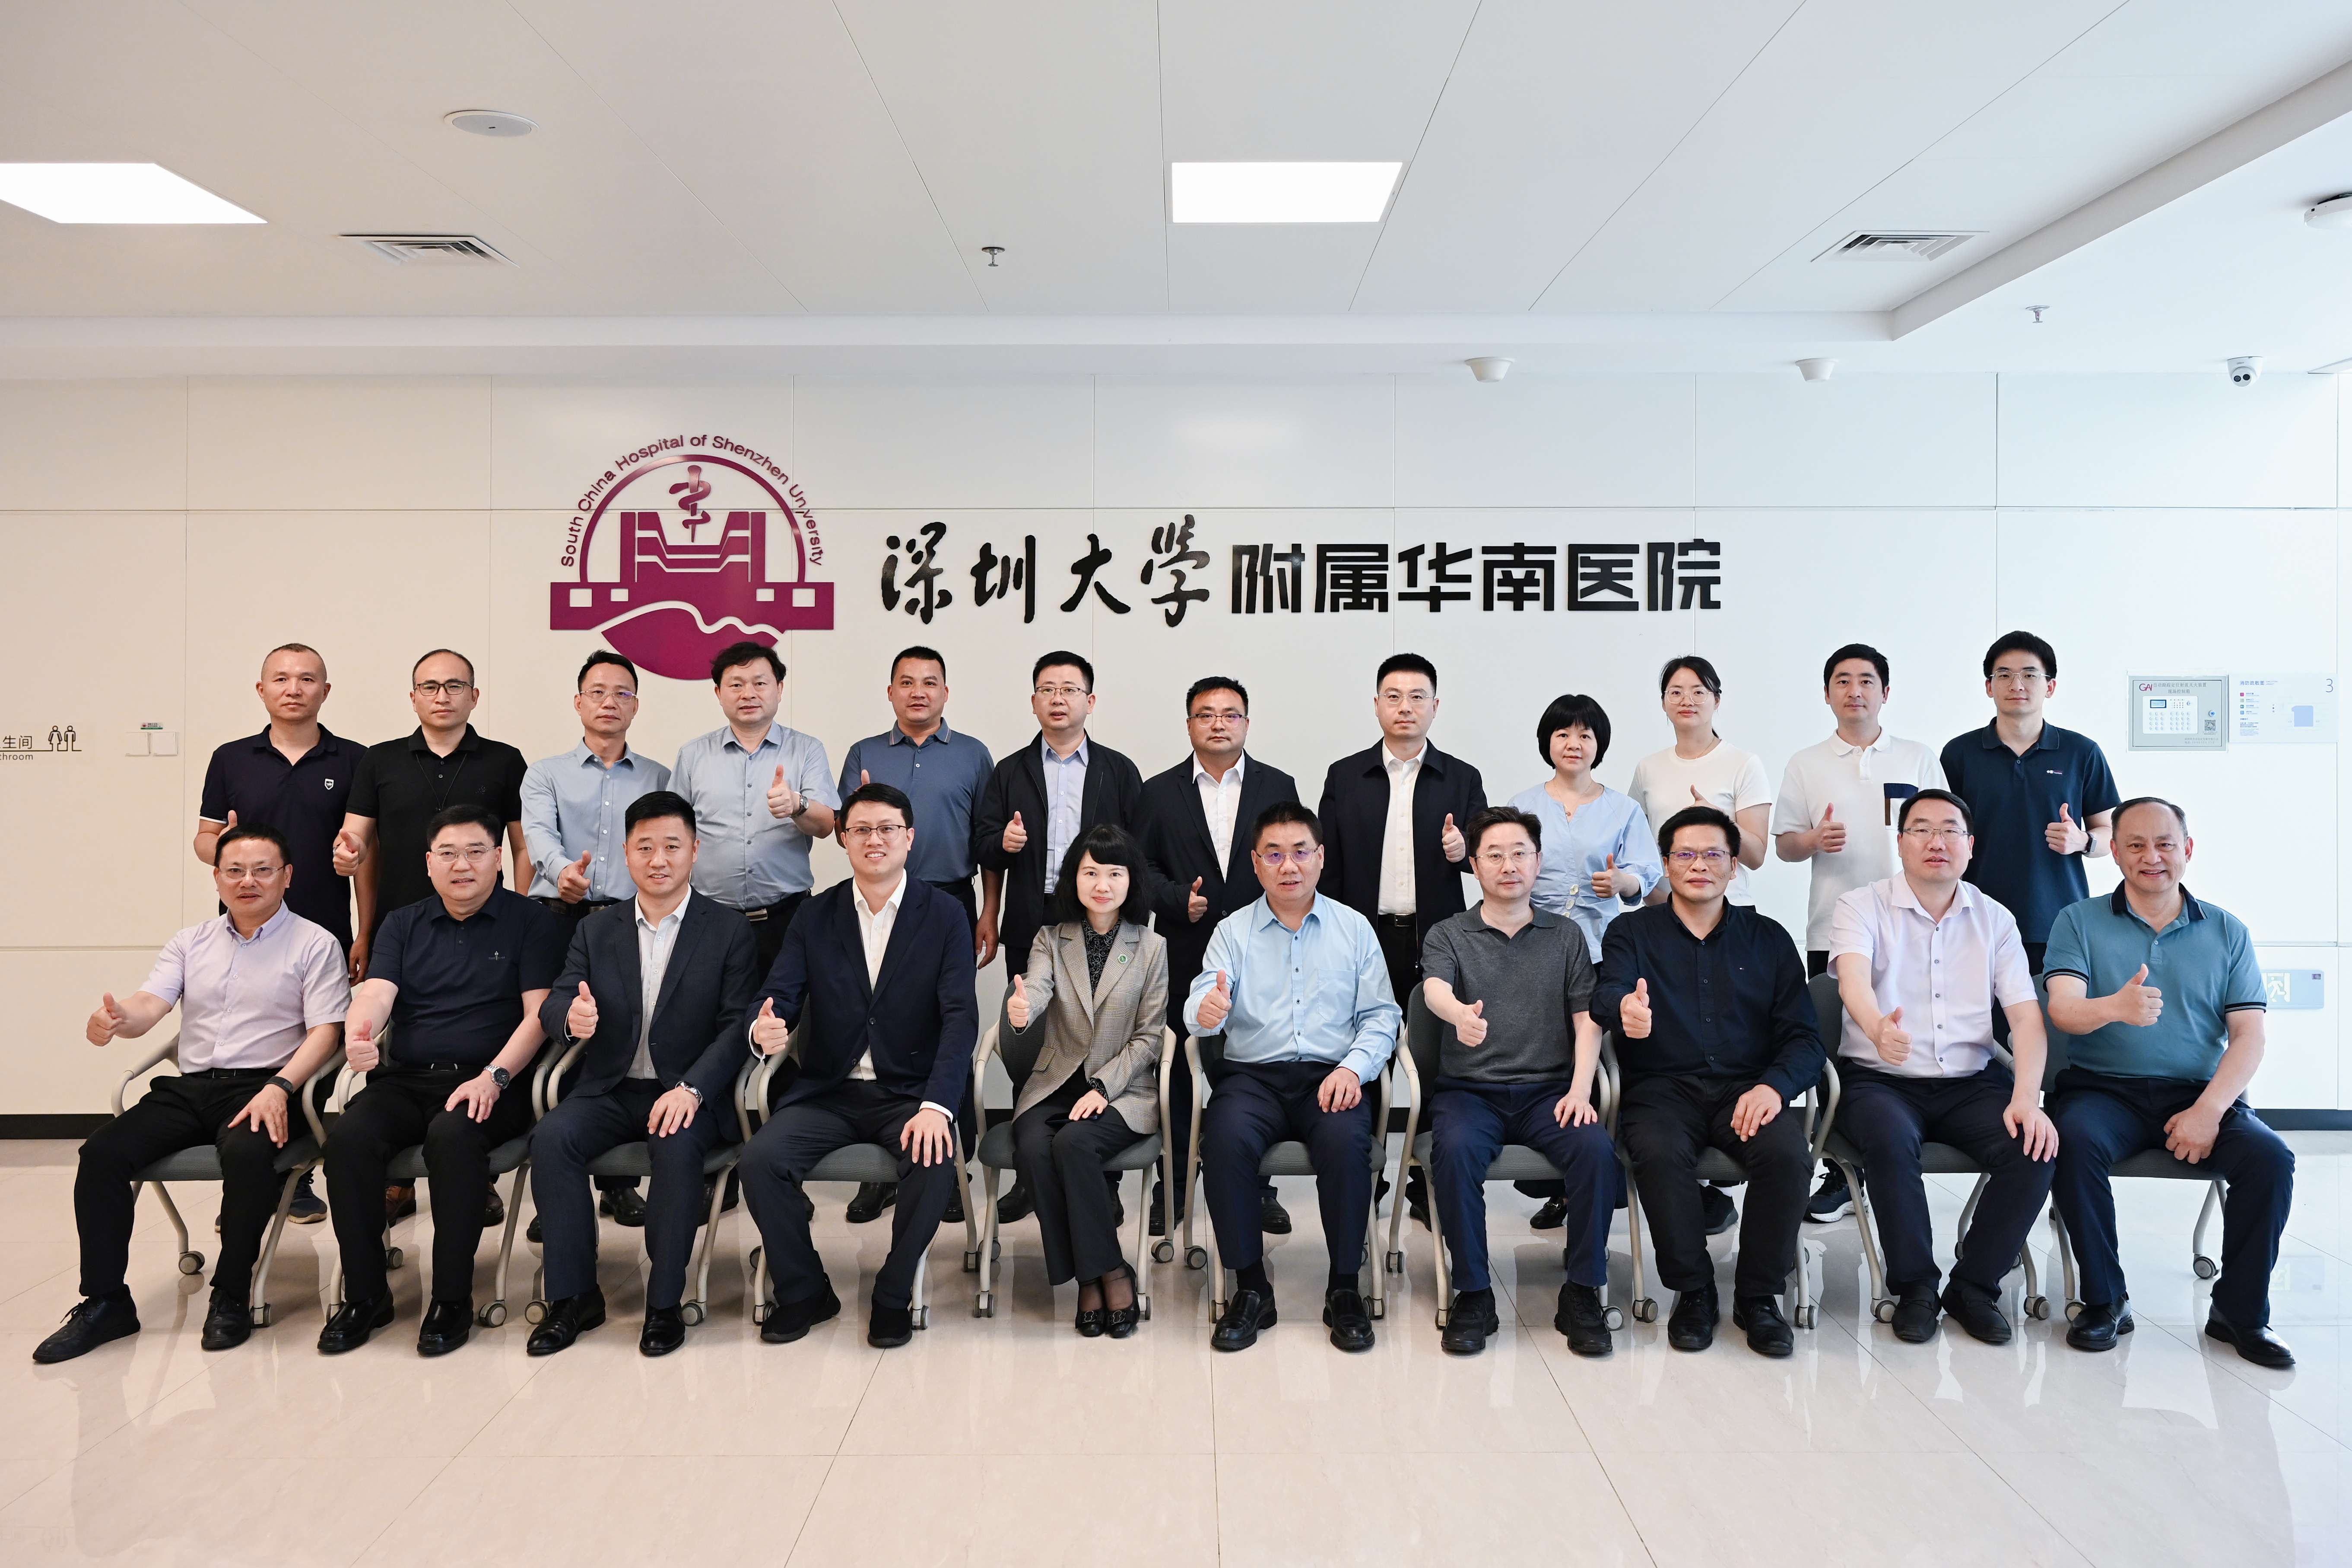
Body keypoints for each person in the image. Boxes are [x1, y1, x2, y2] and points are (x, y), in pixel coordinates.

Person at [35, 824, 348, 1363]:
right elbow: (149, 1006)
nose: (248, 881)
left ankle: (231, 1294)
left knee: (247, 1154)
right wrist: (117, 1019)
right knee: (102, 1154)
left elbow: (326, 1033)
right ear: (217, 877)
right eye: (235, 871)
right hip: (193, 1087)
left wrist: (280, 1087)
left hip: (270, 1085)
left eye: (263, 870)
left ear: (287, 877)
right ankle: (106, 1302)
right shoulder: (191, 941)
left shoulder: (315, 943)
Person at [2043, 797, 2294, 1368]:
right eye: (2135, 844)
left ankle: (2240, 1313)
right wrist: (2114, 1007)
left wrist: (2209, 1111)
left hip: (2198, 1094)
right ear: (2114, 851)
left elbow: (2249, 1036)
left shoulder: (2227, 931)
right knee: (2071, 1141)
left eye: (2164, 844)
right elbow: (2063, 1010)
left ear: (2188, 849)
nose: (2150, 856)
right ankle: (2104, 1300)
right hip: (2102, 1090)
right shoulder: (2077, 920)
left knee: (2270, 1159)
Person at [316, 804, 563, 1356]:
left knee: (452, 1139)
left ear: (498, 859)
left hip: (492, 1081)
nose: (462, 865)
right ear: (429, 863)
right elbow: (377, 994)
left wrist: (494, 1077)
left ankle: (452, 1298)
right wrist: (360, 1032)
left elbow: (538, 1016)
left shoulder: (531, 921)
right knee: (348, 1140)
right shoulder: (403, 923)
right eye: (448, 854)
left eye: (476, 852)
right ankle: (366, 1295)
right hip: (406, 1079)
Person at [740, 783, 978, 1350]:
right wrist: (762, 1026)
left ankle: (893, 1293)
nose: (875, 840)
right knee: (760, 1159)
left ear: (909, 837)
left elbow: (959, 1018)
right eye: (862, 830)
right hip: (830, 1091)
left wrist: (937, 1106)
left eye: (888, 829)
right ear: (843, 838)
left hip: (910, 1093)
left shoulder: (944, 914)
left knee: (934, 1155)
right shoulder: (815, 914)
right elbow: (778, 995)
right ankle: (805, 1290)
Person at [524, 792, 759, 1359]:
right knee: (552, 1138)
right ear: (626, 854)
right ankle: (573, 1297)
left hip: (688, 1091)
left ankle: (664, 1302)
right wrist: (571, 1018)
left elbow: (737, 1028)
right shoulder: (596, 930)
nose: (659, 859)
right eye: (645, 847)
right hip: (610, 1087)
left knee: (676, 1145)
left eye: (672, 846)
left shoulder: (728, 930)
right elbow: (556, 1002)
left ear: (695, 850)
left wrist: (693, 1089)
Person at [1590, 806, 1823, 1358]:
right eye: (1686, 855)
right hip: (1660, 1089)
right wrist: (1625, 1009)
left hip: (1748, 1088)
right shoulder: (1631, 932)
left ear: (1734, 866)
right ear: (1666, 864)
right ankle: (1693, 1291)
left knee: (1788, 1155)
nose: (1700, 865)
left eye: (1714, 854)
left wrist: (1773, 1088)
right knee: (1658, 1152)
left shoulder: (1769, 939)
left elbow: (1804, 1038)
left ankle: (1758, 1296)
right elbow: (1606, 994)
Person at [1827, 788, 2057, 1344]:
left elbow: (2026, 1020)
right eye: (1922, 829)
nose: (1937, 842)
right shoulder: (1861, 905)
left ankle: (1974, 1287)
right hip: (1879, 1080)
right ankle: (1915, 1289)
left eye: (1951, 830)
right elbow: (1853, 982)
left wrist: (2026, 1099)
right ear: (1901, 842)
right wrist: (1878, 1027)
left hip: (1970, 1083)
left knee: (2033, 1147)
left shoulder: (1994, 918)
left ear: (1970, 845)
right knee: (1889, 1141)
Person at [1186, 800, 1401, 1354]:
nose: (1289, 866)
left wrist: (1354, 1068)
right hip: (1252, 1078)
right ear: (1256, 863)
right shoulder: (1232, 932)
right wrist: (1205, 1011)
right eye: (1275, 854)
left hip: (1332, 1075)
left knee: (1347, 1144)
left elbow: (1383, 1016)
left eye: (1301, 852)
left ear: (1321, 857)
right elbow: (1203, 999)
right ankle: (1251, 1287)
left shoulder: (1353, 928)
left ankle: (1345, 1287)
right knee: (1224, 1141)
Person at [332, 648, 531, 1230]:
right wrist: (365, 924)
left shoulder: (504, 760)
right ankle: (395, 1180)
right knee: (400, 1042)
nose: (442, 696)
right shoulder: (380, 760)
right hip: (403, 927)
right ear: (413, 696)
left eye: (454, 686)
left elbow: (521, 845)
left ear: (475, 696)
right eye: (429, 686)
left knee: (479, 1031)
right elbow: (358, 844)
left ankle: (473, 1175)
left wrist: (519, 911)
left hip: (486, 923)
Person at [1418, 807, 1618, 1358]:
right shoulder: (1449, 934)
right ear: (1475, 865)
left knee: (1596, 1151)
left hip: (1550, 1093)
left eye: (1519, 854)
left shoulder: (1567, 936)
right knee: (1455, 1152)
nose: (1508, 866)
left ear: (1538, 861)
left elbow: (1587, 1020)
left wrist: (1580, 1091)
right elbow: (1434, 990)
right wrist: (1458, 1014)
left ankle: (1582, 1292)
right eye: (1495, 855)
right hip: (1470, 1091)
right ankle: (1474, 1293)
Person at [1771, 644, 1946, 1226]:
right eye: (1842, 681)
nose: (1855, 691)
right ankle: (1839, 1171)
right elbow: (1784, 845)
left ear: (1885, 693)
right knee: (1835, 1045)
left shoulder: (1918, 758)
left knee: (1898, 1038)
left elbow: (1948, 830)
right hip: (1834, 926)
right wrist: (1812, 841)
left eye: (1866, 681)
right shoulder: (1806, 762)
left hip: (1914, 927)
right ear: (1827, 694)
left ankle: (1893, 1155)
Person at [973, 651, 1145, 1224]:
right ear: (1033, 702)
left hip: (1101, 919)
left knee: (1104, 1039)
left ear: (1089, 701)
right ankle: (1033, 1173)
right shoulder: (1010, 771)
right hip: (1032, 917)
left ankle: (1103, 1174)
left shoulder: (1118, 770)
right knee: (1032, 1041)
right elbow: (983, 844)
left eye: (1070, 689)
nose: (1058, 698)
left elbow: (1137, 855)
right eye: (1047, 689)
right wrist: (1003, 849)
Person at [194, 641, 361, 1225]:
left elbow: (366, 854)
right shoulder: (231, 758)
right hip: (247, 931)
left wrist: (364, 931)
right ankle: (243, 1184)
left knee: (318, 1045)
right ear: (261, 689)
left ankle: (300, 1174)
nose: (294, 688)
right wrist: (228, 847)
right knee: (246, 1046)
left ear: (325, 691)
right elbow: (204, 840)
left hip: (324, 928)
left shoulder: (354, 759)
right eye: (282, 678)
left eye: (307, 678)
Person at [1315, 653, 1485, 1225]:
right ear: (1376, 705)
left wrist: (1464, 851)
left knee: (1438, 1057)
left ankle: (1427, 1180)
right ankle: (1365, 1174)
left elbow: (1487, 856)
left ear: (1435, 706)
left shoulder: (1461, 778)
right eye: (1393, 696)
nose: (1405, 707)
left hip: (1438, 938)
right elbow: (1327, 865)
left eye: (1417, 697)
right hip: (1364, 936)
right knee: (1363, 1050)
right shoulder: (1345, 775)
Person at [834, 645, 995, 1227]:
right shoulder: (864, 753)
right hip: (879, 901)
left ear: (946, 692)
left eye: (930, 682)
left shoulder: (974, 755)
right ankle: (876, 1177)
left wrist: (990, 910)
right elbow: (847, 830)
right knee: (877, 1022)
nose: (919, 691)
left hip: (950, 900)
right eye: (907, 682)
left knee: (950, 1025)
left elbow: (987, 840)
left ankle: (949, 1166)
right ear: (891, 692)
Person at [1137, 675, 1297, 1235]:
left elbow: (1292, 860)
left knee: (1259, 1066)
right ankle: (1175, 1185)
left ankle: (1260, 1187)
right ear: (1189, 726)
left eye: (1230, 714)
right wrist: (1174, 898)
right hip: (1184, 948)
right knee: (1180, 1070)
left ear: (1247, 724)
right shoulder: (1157, 791)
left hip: (1265, 948)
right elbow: (1139, 868)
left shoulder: (1278, 785)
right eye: (1206, 714)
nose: (1218, 723)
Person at [521, 649, 673, 1233]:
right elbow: (537, 833)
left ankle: (617, 1186)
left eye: (622, 693)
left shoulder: (658, 778)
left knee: (615, 1038)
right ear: (578, 701)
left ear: (636, 705)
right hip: (558, 916)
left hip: (626, 922)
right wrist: (562, 870)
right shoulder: (546, 773)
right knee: (553, 1038)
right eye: (598, 692)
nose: (610, 702)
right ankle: (554, 1191)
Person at [1004, 825, 1168, 1337]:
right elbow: (1035, 988)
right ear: (1073, 878)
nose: (1102, 884)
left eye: (1114, 873)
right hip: (1056, 1083)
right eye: (1090, 872)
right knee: (1034, 1148)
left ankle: (1103, 1276)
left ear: (1130, 880)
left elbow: (1150, 1037)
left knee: (1074, 1144)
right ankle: (1100, 1271)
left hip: (1123, 1090)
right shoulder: (1051, 939)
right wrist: (1022, 1010)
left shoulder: (1152, 947)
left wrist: (1103, 1088)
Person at [1505, 693, 1660, 1233]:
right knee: (1547, 1058)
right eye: (1564, 734)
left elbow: (1647, 874)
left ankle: (1593, 1183)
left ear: (1600, 745)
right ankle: (1556, 1184)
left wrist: (1623, 882)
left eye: (1586, 735)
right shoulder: (1524, 804)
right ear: (1547, 742)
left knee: (1598, 1064)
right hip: (1535, 948)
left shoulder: (1623, 809)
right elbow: (1505, 865)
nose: (1574, 744)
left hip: (1599, 947)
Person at [1624, 655, 1767, 1239]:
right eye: (1676, 691)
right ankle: (1683, 1174)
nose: (1687, 699)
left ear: (1717, 699)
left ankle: (1717, 1182)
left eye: (1699, 690)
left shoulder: (1742, 763)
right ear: (1664, 702)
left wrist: (1715, 819)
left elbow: (1757, 854)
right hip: (1664, 920)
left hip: (1732, 918)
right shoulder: (1649, 767)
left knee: (1726, 1040)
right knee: (1676, 1041)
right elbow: (1640, 848)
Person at [1938, 631, 2118, 974]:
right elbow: (1941, 831)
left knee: (2055, 1009)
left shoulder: (2081, 752)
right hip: (1973, 918)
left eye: (2029, 675)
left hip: (2057, 921)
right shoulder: (1959, 753)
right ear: (1989, 686)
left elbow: (2111, 832)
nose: (2016, 685)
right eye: (2004, 675)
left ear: (2050, 686)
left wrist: (2083, 841)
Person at [670, 639, 839, 978]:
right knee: (710, 1007)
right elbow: (674, 834)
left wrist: (797, 805)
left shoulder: (807, 750)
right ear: (719, 694)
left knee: (783, 1007)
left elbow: (825, 826)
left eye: (760, 683)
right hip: (710, 918)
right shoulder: (692, 756)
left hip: (786, 917)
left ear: (779, 689)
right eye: (736, 685)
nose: (748, 694)